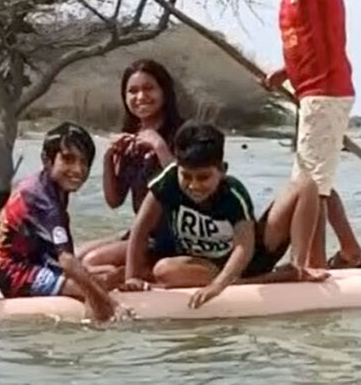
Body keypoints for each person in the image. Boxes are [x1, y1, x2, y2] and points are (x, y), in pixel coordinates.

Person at [256, 0, 361, 272]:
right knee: (318, 180)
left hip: (326, 93)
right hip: (311, 93)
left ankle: (311, 263)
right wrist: (285, 72)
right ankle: (351, 251)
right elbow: (310, 44)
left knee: (309, 187)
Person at [120, 121, 327, 308]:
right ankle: (270, 278)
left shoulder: (233, 193)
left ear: (222, 170)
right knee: (163, 270)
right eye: (187, 176)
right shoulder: (169, 181)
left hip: (251, 259)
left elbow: (244, 247)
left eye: (203, 177)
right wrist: (132, 278)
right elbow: (141, 228)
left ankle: (298, 267)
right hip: (204, 266)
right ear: (178, 168)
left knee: (305, 185)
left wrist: (217, 287)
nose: (194, 185)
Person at [0, 122, 122, 322]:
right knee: (98, 285)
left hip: (38, 261)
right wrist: (111, 305)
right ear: (47, 160)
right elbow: (68, 261)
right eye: (68, 160)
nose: (78, 170)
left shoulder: (53, 187)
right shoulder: (41, 197)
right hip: (17, 275)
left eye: (84, 162)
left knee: (110, 273)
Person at [80, 59, 185, 273]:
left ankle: (141, 278)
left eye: (149, 89)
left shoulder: (184, 133)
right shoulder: (131, 138)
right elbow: (114, 201)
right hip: (140, 233)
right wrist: (109, 158)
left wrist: (159, 146)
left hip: (171, 237)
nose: (141, 97)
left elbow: (186, 188)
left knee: (92, 262)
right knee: (76, 255)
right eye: (133, 91)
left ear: (164, 91)